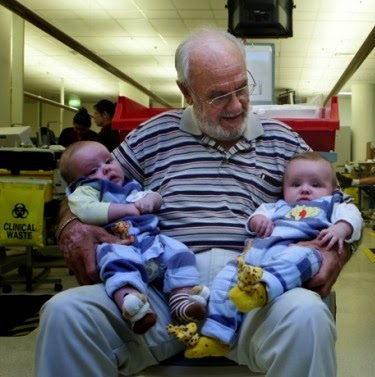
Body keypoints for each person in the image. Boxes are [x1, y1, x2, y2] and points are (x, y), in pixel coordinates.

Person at [35, 28, 348, 377]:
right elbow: (85, 190)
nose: (236, 104)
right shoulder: (152, 136)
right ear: (186, 91)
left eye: (242, 88)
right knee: (64, 314)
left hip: (254, 290)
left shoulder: (284, 140)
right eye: (217, 96)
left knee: (307, 316)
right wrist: (70, 224)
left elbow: (340, 203)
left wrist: (338, 249)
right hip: (162, 289)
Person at [184, 151, 363, 358]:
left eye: (315, 185)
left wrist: (341, 228)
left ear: (333, 189)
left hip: (304, 250)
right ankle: (216, 337)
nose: (305, 189)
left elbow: (353, 216)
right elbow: (255, 216)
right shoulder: (276, 207)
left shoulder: (334, 204)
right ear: (284, 189)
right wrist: (257, 221)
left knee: (294, 261)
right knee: (226, 278)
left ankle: (262, 290)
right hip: (257, 255)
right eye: (296, 185)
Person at [58, 140, 209, 334]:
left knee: (179, 252)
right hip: (117, 242)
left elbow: (155, 197)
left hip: (151, 241)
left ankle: (181, 300)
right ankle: (133, 307)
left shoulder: (129, 185)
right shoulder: (87, 190)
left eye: (108, 161)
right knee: (118, 265)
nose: (105, 170)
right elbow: (87, 210)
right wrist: (126, 209)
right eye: (92, 170)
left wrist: (151, 200)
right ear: (78, 181)